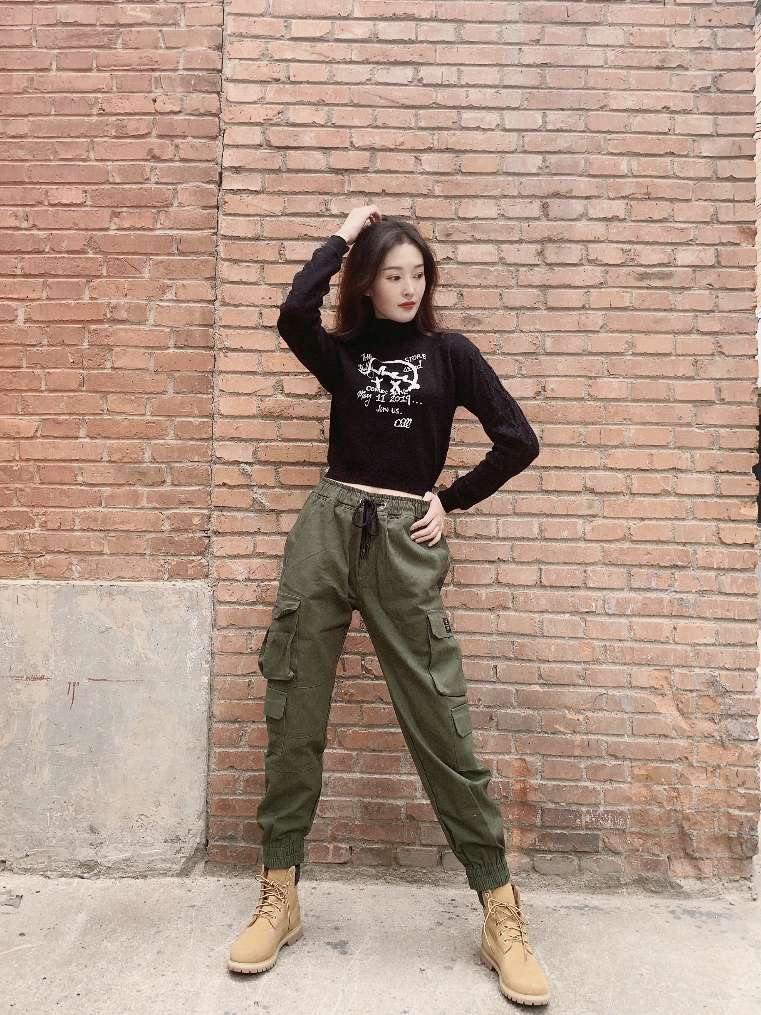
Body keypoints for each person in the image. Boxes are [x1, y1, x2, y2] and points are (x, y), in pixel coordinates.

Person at [227, 205, 550, 1006]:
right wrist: (340, 238)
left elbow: (516, 439)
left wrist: (450, 498)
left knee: (442, 720)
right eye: (391, 274)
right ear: (366, 283)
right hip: (327, 528)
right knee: (294, 707)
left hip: (404, 540)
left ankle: (499, 911)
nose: (408, 287)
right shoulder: (341, 352)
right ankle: (279, 894)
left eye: (418, 274)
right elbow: (291, 312)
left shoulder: (451, 354)